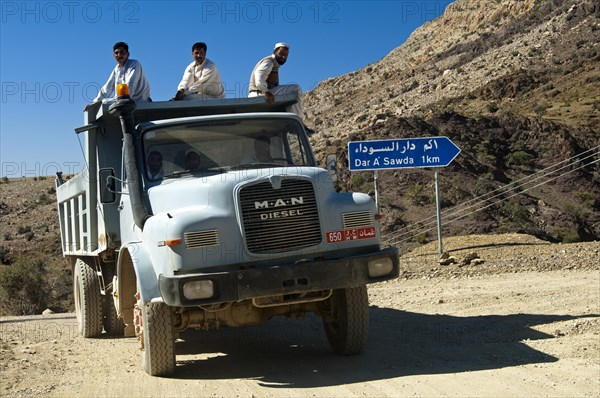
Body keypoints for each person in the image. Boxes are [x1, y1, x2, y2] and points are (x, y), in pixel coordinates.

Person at [248, 42, 302, 117]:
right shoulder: (269, 61)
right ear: (274, 52)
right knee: (295, 88)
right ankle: (296, 118)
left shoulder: (275, 65)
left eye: (286, 55)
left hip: (261, 92)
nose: (283, 57)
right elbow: (259, 77)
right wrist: (266, 92)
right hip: (259, 93)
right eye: (281, 53)